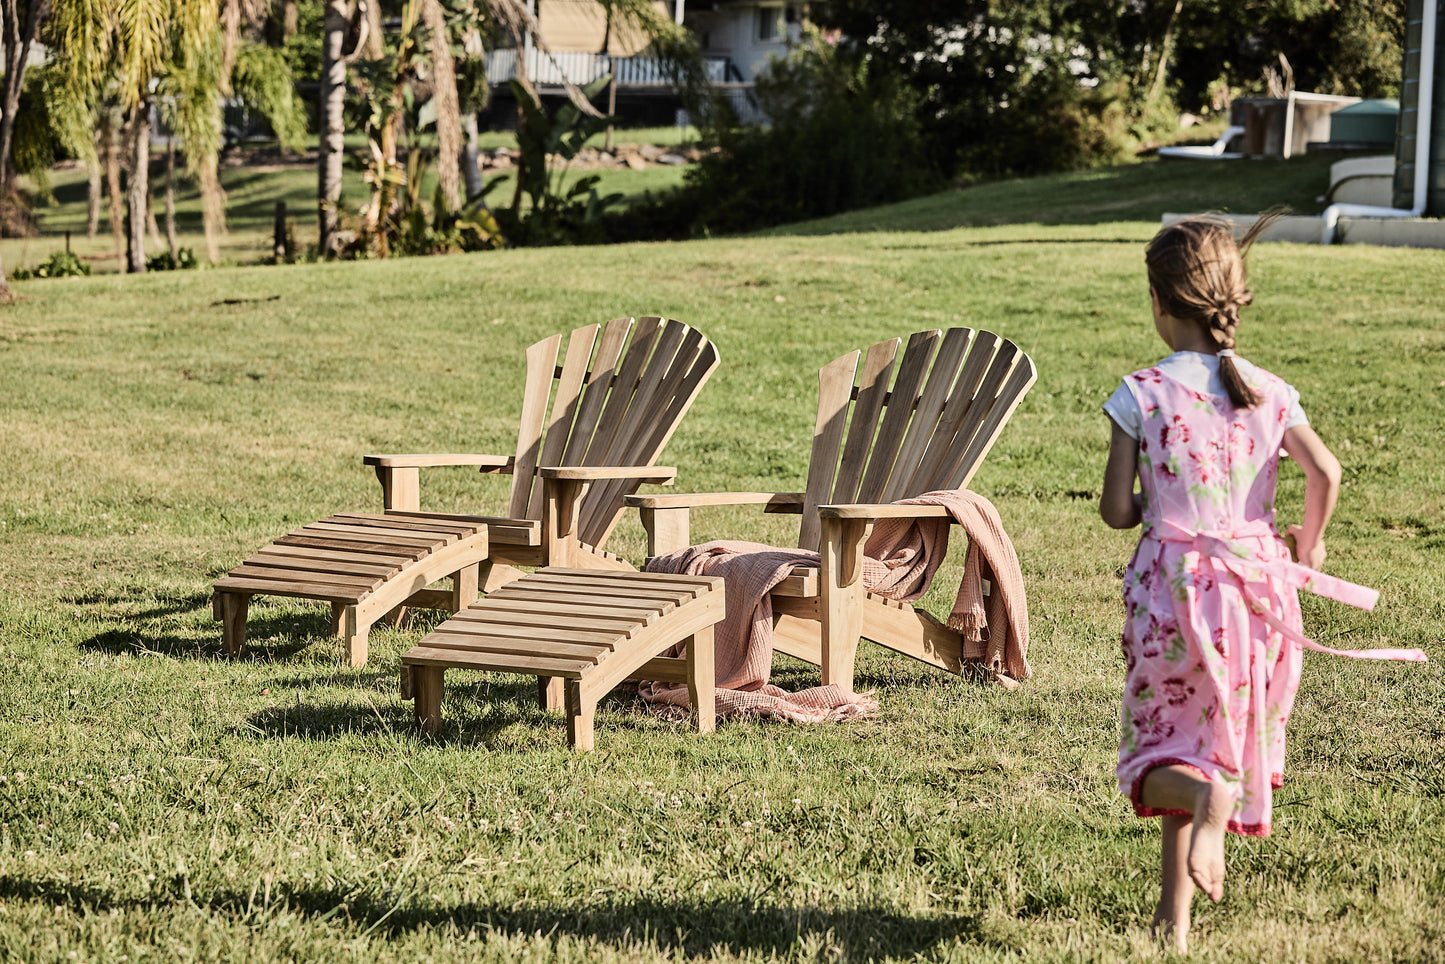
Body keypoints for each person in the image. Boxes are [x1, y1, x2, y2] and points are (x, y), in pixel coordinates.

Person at [1098, 216, 1426, 953]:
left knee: (1156, 758)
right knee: (1204, 745)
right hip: (1256, 596)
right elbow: (1326, 472)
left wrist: (1158, 504)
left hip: (1174, 596)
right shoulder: (1270, 391)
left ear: (1158, 300)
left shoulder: (1141, 392)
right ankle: (1170, 923)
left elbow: (1118, 511)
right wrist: (1301, 546)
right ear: (1232, 300)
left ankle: (1206, 813)